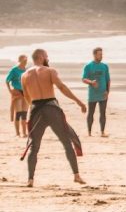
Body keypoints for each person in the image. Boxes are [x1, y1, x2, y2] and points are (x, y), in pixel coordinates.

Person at [21, 49, 86, 187]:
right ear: (41, 57)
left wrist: (34, 109)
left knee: (34, 146)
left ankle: (30, 179)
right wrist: (78, 101)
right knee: (67, 142)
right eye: (46, 56)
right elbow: (61, 87)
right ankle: (76, 175)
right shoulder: (50, 71)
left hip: (36, 109)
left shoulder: (25, 75)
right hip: (51, 108)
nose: (48, 58)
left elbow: (27, 97)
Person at [82, 47, 111, 137]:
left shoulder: (105, 66)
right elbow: (84, 79)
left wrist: (107, 91)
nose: (101, 56)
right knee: (91, 113)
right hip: (93, 94)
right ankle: (89, 132)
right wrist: (91, 82)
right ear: (94, 55)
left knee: (103, 113)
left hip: (103, 93)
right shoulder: (88, 66)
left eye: (102, 54)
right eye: (99, 54)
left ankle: (102, 132)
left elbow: (108, 80)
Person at [5, 55, 28, 137]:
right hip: (17, 93)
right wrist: (10, 91)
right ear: (20, 60)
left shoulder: (26, 70)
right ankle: (18, 133)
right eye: (24, 60)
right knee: (18, 113)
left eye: (26, 60)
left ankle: (24, 133)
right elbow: (7, 80)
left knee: (24, 113)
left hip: (25, 93)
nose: (26, 61)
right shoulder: (14, 70)